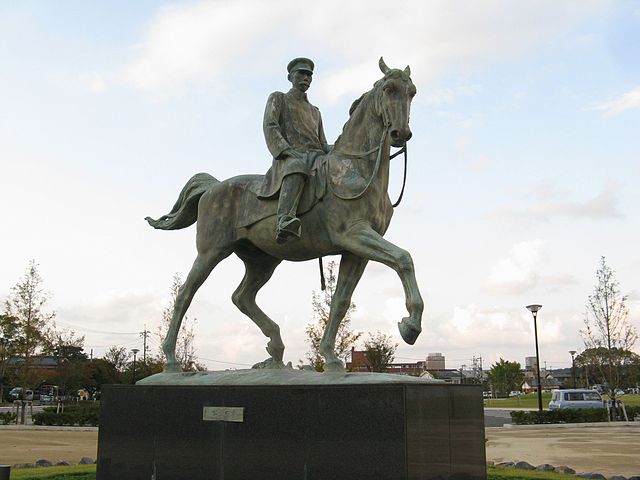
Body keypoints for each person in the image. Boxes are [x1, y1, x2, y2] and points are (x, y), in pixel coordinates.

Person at [258, 57, 330, 243]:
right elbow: (270, 125)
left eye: (309, 75)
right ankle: (284, 219)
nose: (306, 78)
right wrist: (285, 150)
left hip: (316, 157)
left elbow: (322, 143)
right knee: (297, 166)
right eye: (301, 73)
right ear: (290, 77)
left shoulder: (315, 111)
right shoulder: (279, 98)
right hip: (290, 157)